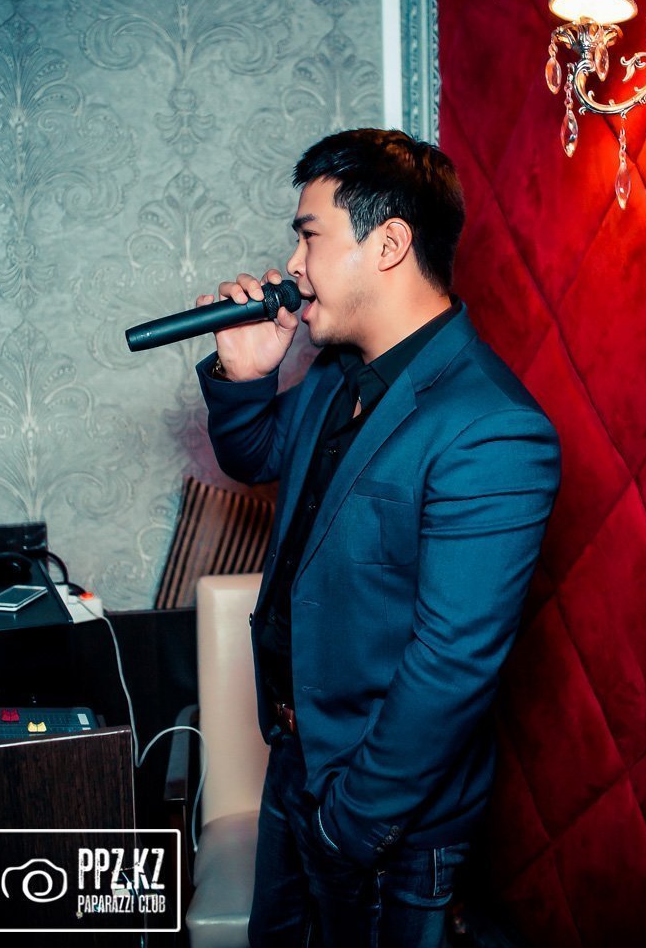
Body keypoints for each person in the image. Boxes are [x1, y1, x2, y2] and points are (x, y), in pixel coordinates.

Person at [196, 128, 561, 948]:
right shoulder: (336, 373)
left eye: (309, 236)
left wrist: (350, 823)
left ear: (388, 243)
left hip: (381, 814)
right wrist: (247, 373)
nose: (292, 265)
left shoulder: (492, 427)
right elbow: (256, 457)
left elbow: (451, 662)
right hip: (297, 758)